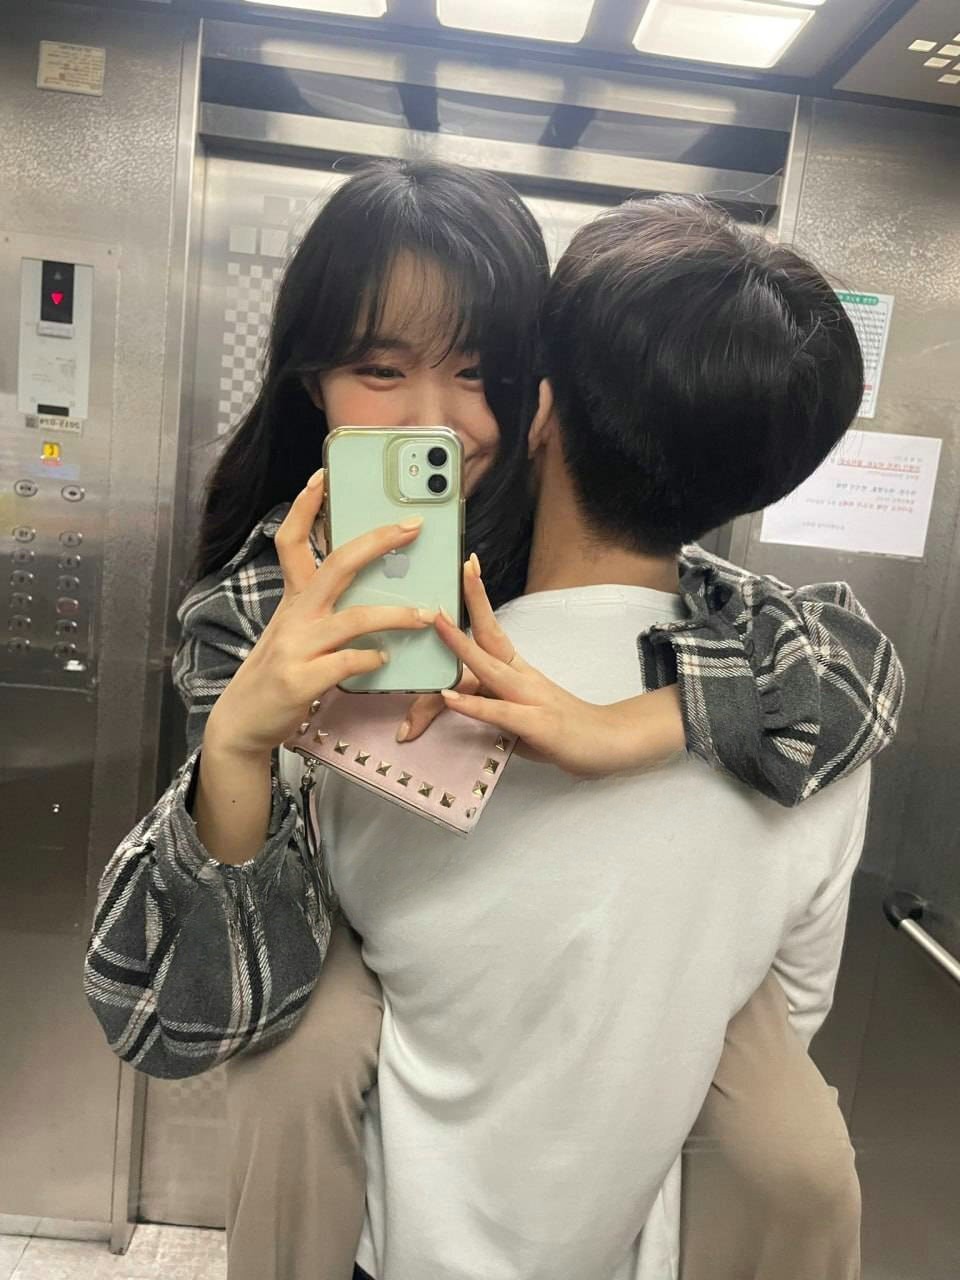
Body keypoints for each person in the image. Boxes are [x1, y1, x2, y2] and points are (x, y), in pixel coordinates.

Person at [83, 162, 900, 1280]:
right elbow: (171, 1017)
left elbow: (855, 669)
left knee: (790, 1143)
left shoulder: (600, 558)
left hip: (590, 1108)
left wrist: (642, 721)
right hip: (375, 1040)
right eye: (380, 369)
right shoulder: (258, 607)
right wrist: (239, 742)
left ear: (541, 394)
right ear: (311, 382)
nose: (436, 422)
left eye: (479, 372)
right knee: (308, 1052)